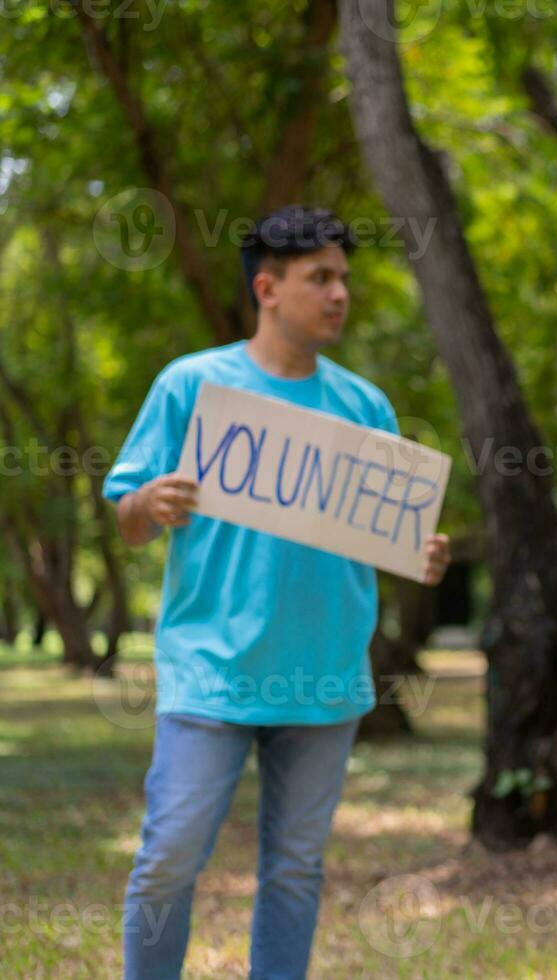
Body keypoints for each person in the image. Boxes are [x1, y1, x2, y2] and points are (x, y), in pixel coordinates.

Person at [105, 205, 450, 980]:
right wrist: (149, 504)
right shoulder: (191, 384)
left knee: (295, 873)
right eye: (319, 278)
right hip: (211, 674)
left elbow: (394, 543)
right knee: (169, 859)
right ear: (268, 286)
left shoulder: (365, 406)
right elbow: (127, 517)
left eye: (344, 280)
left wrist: (424, 557)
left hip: (324, 678)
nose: (339, 295)